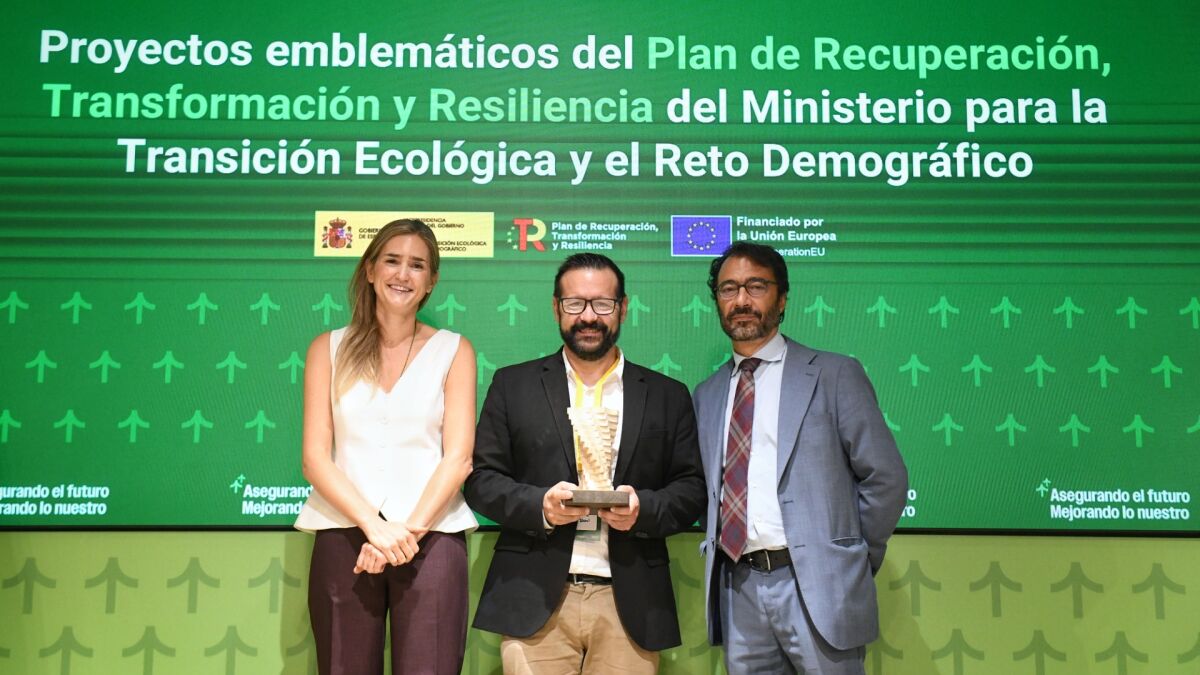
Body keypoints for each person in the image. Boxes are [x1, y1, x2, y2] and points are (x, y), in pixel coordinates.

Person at [464, 253, 706, 674]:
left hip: (631, 602)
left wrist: (642, 509)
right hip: (532, 596)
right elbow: (481, 480)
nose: (588, 316)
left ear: (623, 308)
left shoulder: (667, 394)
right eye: (575, 303)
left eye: (603, 304)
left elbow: (692, 488)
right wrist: (540, 505)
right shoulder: (513, 385)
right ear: (556, 307)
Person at [693, 242, 908, 675]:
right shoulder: (707, 394)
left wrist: (850, 557)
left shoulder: (834, 373)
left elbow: (885, 477)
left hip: (821, 586)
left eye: (756, 286)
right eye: (728, 289)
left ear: (783, 298)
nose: (741, 300)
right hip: (739, 587)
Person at [294, 219, 478, 675]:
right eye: (392, 261)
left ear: (431, 281)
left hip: (433, 536)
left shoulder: (455, 350)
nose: (403, 274)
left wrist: (404, 534)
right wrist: (373, 527)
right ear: (370, 269)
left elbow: (458, 459)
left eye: (417, 265)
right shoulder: (327, 349)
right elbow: (315, 458)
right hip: (344, 532)